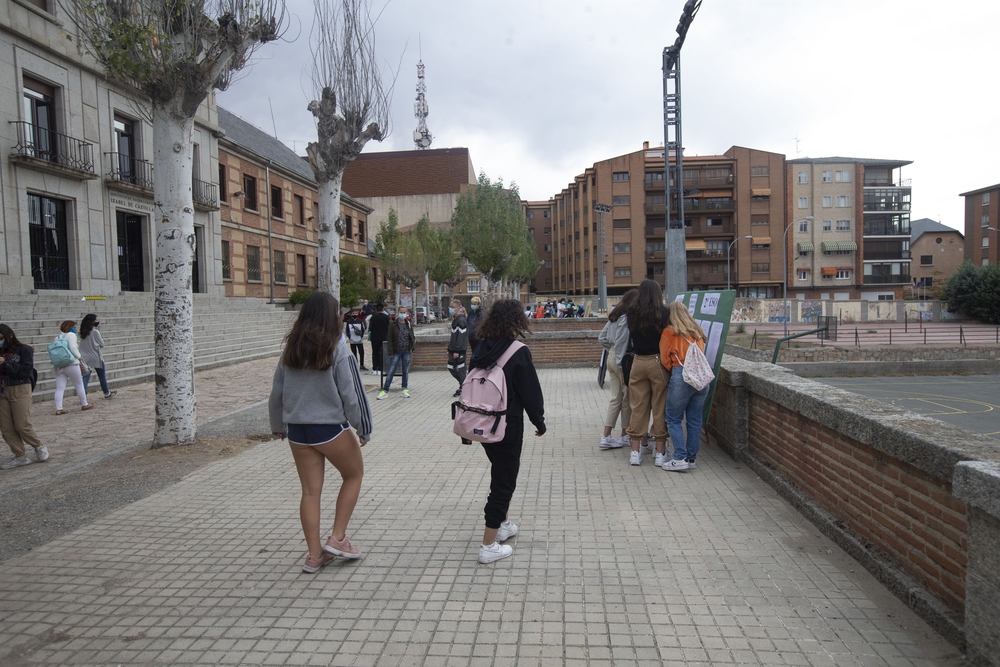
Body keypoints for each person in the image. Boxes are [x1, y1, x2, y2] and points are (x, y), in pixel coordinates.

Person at [269, 291, 373, 573]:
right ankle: (338, 538)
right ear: (332, 316)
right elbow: (352, 395)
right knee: (354, 475)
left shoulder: (290, 350)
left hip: (297, 432)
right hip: (329, 428)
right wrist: (363, 427)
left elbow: (276, 392)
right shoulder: (338, 350)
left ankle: (314, 555)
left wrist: (277, 426)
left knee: (310, 493)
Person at [468, 299, 545, 563]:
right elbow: (530, 392)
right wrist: (539, 421)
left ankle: (503, 524)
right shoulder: (518, 351)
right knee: (503, 481)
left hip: (483, 424)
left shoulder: (481, 348)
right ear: (517, 321)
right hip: (508, 424)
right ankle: (488, 546)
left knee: (500, 470)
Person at [623, 280, 670, 466]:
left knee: (638, 406)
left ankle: (635, 452)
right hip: (657, 361)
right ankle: (660, 453)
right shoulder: (664, 313)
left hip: (638, 361)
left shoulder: (632, 313)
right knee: (659, 406)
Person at [660, 301, 711, 472]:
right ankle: (691, 457)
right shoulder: (697, 332)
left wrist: (674, 370)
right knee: (695, 419)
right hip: (700, 378)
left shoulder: (669, 332)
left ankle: (679, 456)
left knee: (673, 418)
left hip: (681, 375)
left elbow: (665, 359)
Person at [0, 324, 46, 469]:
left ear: (9, 335)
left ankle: (38, 445)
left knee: (21, 424)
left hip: (20, 388)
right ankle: (20, 455)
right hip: (2, 391)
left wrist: (5, 363)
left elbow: (25, 371)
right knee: (6, 427)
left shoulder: (23, 350)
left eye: (1, 337)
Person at [597, 290, 638, 450]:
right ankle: (624, 434)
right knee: (626, 398)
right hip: (622, 360)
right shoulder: (626, 318)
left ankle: (606, 435)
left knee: (615, 398)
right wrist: (622, 366)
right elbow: (622, 342)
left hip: (611, 356)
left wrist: (611, 350)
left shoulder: (614, 316)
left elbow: (602, 337)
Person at [53, 320, 94, 415]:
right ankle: (84, 403)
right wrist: (79, 357)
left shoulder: (57, 337)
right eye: (74, 327)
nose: (75, 329)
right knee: (79, 384)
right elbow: (73, 348)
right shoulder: (71, 335)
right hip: (71, 363)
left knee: (59, 388)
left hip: (59, 365)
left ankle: (59, 408)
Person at [377, 306, 414, 399]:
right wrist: (390, 351)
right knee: (391, 370)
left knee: (405, 371)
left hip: (406, 351)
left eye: (404, 312)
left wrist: (412, 347)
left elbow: (412, 336)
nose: (403, 314)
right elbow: (389, 337)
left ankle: (404, 389)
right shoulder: (393, 324)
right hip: (396, 351)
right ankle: (385, 390)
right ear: (398, 312)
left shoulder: (408, 324)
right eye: (401, 312)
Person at [78, 314, 117, 399]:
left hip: (85, 357)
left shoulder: (83, 332)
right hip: (96, 357)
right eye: (96, 320)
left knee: (85, 377)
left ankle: (83, 396)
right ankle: (107, 393)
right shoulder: (95, 332)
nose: (97, 321)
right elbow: (102, 344)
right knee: (102, 376)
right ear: (92, 321)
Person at [447, 300, 469, 397]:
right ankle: (464, 384)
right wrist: (449, 349)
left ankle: (464, 388)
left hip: (459, 350)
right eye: (450, 306)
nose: (451, 309)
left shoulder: (461, 320)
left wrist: (456, 350)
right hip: (454, 350)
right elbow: (453, 337)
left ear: (459, 308)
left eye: (453, 307)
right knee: (450, 367)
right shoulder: (455, 320)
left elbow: (461, 337)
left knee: (461, 369)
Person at [368, 303, 390, 376]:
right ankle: (381, 368)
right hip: (384, 337)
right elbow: (389, 327)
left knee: (375, 353)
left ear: (376, 309)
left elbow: (370, 328)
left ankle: (375, 368)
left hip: (374, 338)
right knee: (382, 353)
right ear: (383, 309)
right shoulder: (386, 317)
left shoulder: (373, 317)